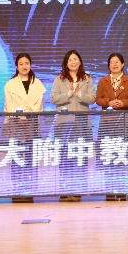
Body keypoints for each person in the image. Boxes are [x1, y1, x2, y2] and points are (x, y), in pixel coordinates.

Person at [50, 50, 95, 200]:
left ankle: (78, 189)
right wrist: (69, 94)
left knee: (80, 155)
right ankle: (65, 188)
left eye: (75, 59)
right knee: (64, 155)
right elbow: (53, 98)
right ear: (66, 63)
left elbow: (92, 99)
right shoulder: (59, 79)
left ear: (80, 61)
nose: (73, 62)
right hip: (64, 122)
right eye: (70, 60)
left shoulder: (87, 78)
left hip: (82, 122)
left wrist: (80, 95)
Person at [2, 53, 46, 200]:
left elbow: (39, 104)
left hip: (32, 122)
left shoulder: (37, 83)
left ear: (30, 65)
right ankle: (17, 188)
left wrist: (28, 115)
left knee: (31, 156)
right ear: (16, 66)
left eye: (27, 63)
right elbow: (8, 104)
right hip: (15, 123)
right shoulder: (10, 84)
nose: (24, 66)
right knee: (16, 155)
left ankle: (31, 188)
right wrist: (20, 116)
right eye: (21, 64)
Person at [95, 53, 128, 201]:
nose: (115, 64)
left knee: (123, 154)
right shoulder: (103, 81)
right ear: (109, 65)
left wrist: (123, 103)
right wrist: (109, 102)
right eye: (112, 62)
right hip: (107, 122)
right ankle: (109, 189)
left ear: (122, 64)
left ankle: (123, 188)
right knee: (108, 154)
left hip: (124, 122)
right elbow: (98, 99)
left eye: (117, 62)